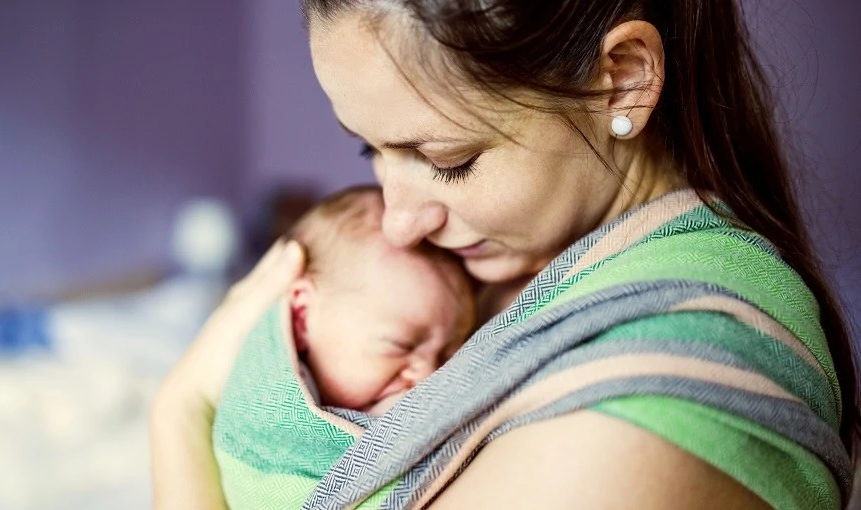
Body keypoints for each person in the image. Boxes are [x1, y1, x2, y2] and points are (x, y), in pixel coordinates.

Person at [151, 1, 858, 509]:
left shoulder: (643, 411)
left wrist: (181, 414)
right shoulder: (504, 275)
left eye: (446, 159)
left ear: (622, 77)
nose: (399, 222)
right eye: (370, 148)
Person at [210, 185, 476, 508]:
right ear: (303, 315)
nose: (430, 373)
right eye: (401, 345)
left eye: (449, 354)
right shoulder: (264, 404)